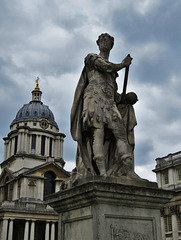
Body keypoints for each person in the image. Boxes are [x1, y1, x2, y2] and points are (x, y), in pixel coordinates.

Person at [71, 33, 134, 178]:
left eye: (108, 41)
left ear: (112, 45)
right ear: (97, 43)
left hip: (109, 103)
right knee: (97, 133)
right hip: (94, 100)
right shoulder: (92, 58)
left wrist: (127, 98)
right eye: (102, 40)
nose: (105, 42)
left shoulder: (113, 74)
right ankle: (102, 173)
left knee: (121, 134)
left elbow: (115, 93)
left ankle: (130, 172)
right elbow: (105, 67)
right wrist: (122, 64)